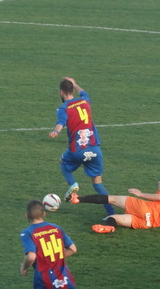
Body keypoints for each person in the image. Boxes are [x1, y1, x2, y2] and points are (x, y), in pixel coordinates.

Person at [49, 77, 114, 217]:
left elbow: (61, 122)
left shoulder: (63, 108)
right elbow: (84, 93)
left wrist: (56, 131)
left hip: (77, 150)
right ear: (73, 90)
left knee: (63, 162)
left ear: (61, 92)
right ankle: (111, 213)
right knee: (97, 184)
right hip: (95, 150)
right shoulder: (85, 101)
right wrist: (76, 84)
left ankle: (73, 184)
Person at [70, 173, 160, 233]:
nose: (159, 182)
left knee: (112, 199)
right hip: (149, 222)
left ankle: (79, 199)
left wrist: (140, 194)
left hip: (145, 208)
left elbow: (159, 197)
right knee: (113, 218)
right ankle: (109, 227)